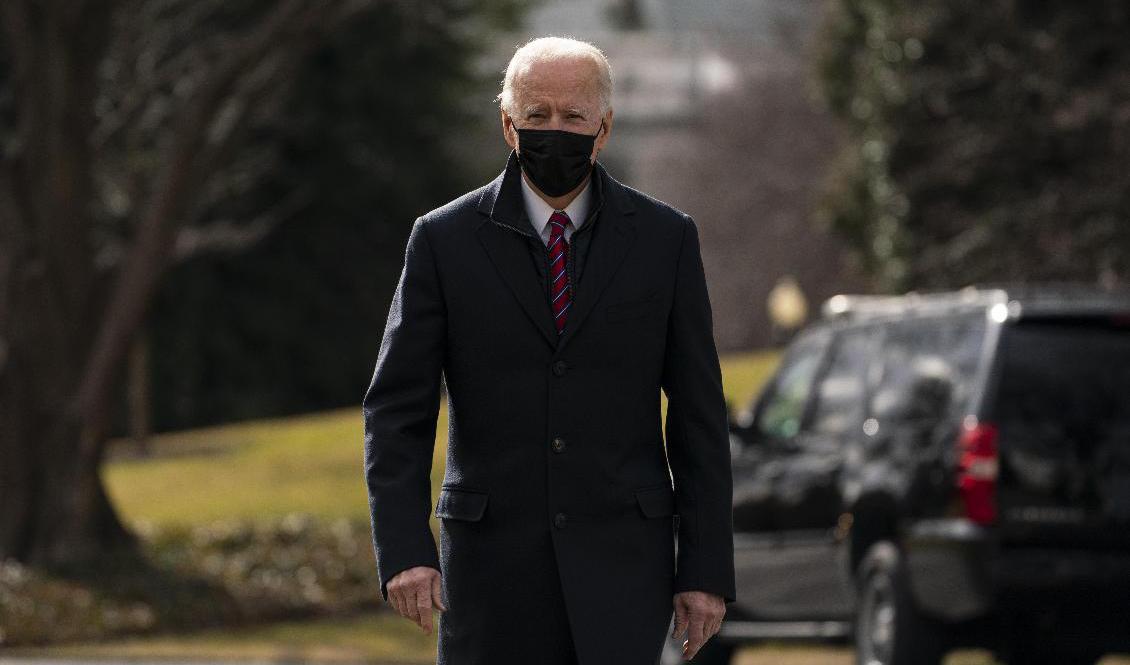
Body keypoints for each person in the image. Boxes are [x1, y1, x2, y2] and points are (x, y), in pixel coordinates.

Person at [362, 36, 735, 665]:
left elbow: (698, 414)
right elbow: (397, 410)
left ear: (604, 128)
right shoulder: (443, 241)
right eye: (536, 116)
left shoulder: (666, 241)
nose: (554, 131)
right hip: (488, 572)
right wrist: (405, 551)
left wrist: (704, 570)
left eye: (573, 117)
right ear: (508, 125)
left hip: (624, 567)